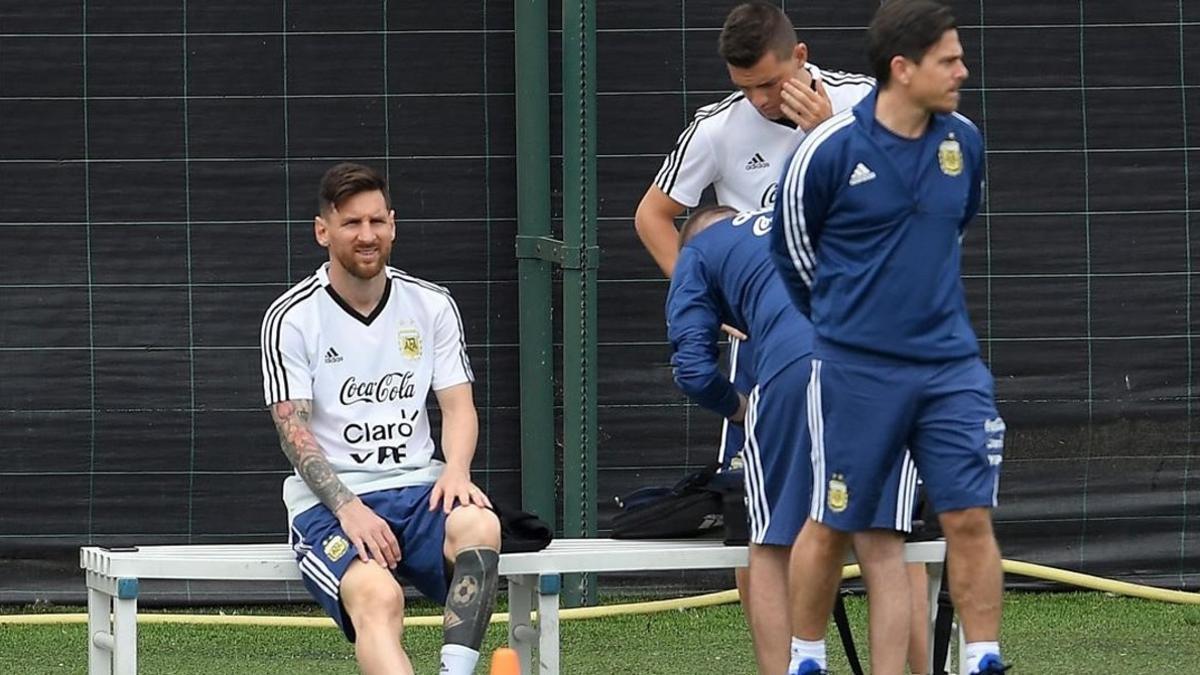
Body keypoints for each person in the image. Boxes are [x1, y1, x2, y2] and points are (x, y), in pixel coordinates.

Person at [633, 6, 880, 671]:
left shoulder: (861, 101)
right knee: (759, 526)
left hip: (863, 341)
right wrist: (705, 298)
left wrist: (827, 131)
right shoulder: (714, 129)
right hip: (767, 355)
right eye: (747, 88)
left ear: (801, 56)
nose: (762, 100)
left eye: (771, 83)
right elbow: (655, 215)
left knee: (879, 529)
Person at [770, 2, 1008, 674]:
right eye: (949, 60)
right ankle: (806, 657)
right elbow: (793, 255)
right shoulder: (828, 151)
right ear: (902, 69)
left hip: (950, 367)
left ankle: (984, 657)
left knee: (967, 515)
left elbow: (953, 226)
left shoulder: (964, 142)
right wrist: (848, 325)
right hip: (856, 371)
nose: (964, 70)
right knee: (835, 519)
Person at [260, 162, 501, 675]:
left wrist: (456, 469)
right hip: (332, 504)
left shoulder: (431, 304)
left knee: (481, 525)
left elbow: (458, 407)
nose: (367, 236)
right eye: (351, 224)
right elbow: (293, 432)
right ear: (323, 231)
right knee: (378, 597)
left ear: (392, 224)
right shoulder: (293, 316)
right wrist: (348, 508)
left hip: (419, 488)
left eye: (377, 222)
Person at [666, 205, 919, 675]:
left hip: (796, 365)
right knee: (881, 546)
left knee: (771, 543)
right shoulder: (800, 208)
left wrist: (741, 409)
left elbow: (694, 370)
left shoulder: (697, 252)